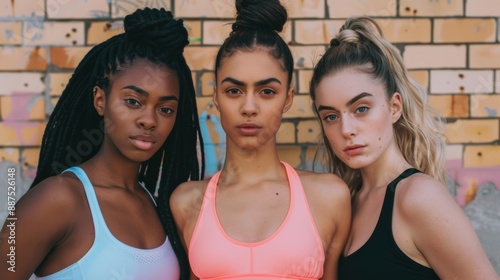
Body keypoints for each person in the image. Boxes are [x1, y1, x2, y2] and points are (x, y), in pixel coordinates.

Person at [0, 7, 204, 280]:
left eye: (165, 109)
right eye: (133, 101)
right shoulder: (57, 199)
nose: (149, 120)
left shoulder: (158, 206)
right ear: (100, 100)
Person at [170, 0, 351, 279]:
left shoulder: (329, 197)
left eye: (267, 91)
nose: (249, 107)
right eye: (234, 91)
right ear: (215, 95)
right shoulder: (186, 202)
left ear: (288, 98)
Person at [309, 16, 499, 280]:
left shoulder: (419, 197)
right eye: (331, 116)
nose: (346, 129)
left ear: (394, 107)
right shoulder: (350, 201)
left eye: (361, 109)